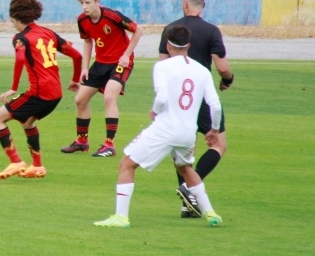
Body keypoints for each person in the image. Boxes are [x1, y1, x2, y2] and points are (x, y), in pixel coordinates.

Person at [94, 26, 223, 228]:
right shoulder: (202, 70)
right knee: (185, 168)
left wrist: (155, 111)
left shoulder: (162, 67)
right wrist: (214, 129)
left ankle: (121, 217)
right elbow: (215, 105)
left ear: (168, 46)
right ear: (188, 45)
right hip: (188, 133)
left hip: (165, 128)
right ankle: (211, 213)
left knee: (126, 164)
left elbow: (162, 98)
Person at [0, 0, 82, 179]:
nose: (13, 25)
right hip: (55, 94)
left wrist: (13, 88)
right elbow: (77, 55)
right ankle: (37, 166)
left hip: (39, 94)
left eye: (12, 22)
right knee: (28, 122)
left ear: (16, 18)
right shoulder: (49, 33)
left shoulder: (20, 38)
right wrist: (75, 79)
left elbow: (20, 59)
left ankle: (16, 162)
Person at [159, 0, 234, 218]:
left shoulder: (171, 29)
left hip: (176, 98)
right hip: (200, 95)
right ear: (203, 5)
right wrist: (228, 80)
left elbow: (162, 64)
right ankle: (192, 187)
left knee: (184, 150)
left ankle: (187, 205)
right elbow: (222, 67)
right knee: (219, 145)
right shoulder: (211, 31)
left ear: (185, 4)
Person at [60, 0, 143, 158]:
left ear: (97, 2)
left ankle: (109, 145)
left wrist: (126, 55)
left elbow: (138, 30)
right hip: (100, 63)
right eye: (82, 3)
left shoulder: (113, 16)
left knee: (109, 97)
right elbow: (88, 41)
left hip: (120, 62)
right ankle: (82, 141)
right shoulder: (82, 20)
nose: (84, 7)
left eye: (88, 3)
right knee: (80, 100)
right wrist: (84, 67)